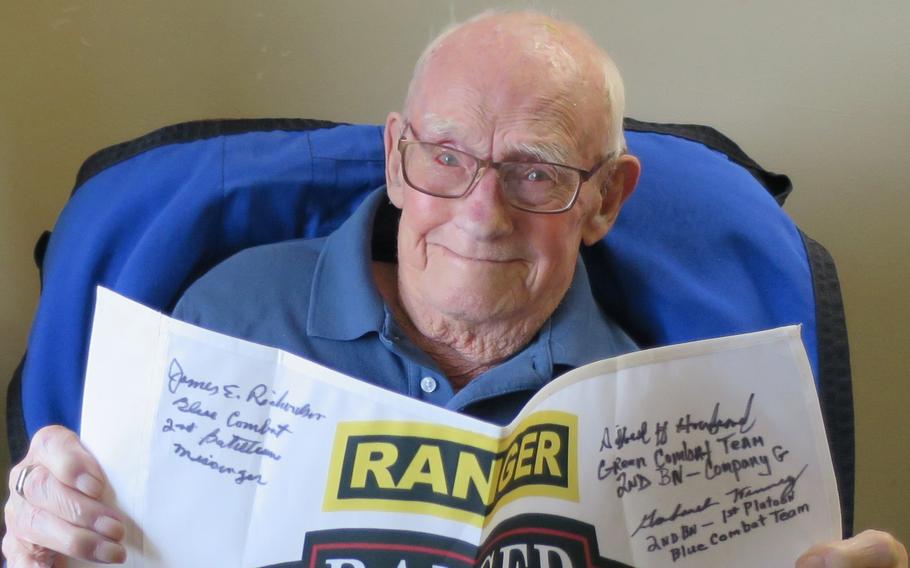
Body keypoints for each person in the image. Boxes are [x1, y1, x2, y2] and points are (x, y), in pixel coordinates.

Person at [3, 10, 906, 568]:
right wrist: (46, 540)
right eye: (446, 158)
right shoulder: (224, 319)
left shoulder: (675, 413)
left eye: (537, 172)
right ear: (396, 159)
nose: (482, 215)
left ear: (606, 200)